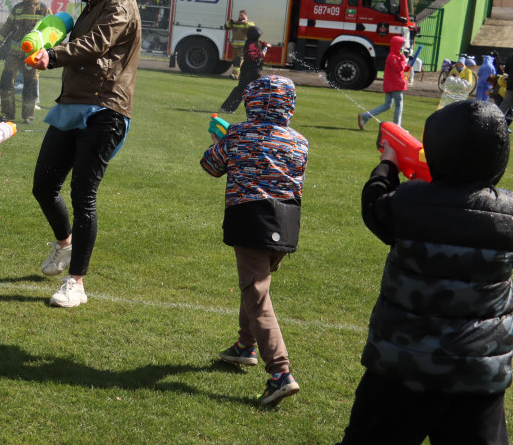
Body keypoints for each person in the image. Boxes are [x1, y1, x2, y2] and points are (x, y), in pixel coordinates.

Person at [338, 99, 513, 443]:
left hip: (401, 366)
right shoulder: (508, 212)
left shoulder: (409, 200)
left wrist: (387, 165)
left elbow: (374, 205)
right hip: (478, 371)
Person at [28, 0, 141, 308]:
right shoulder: (92, 5)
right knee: (44, 186)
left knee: (83, 194)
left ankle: (75, 283)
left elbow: (98, 43)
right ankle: (65, 245)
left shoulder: (121, 2)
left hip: (106, 107)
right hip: (72, 105)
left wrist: (53, 56)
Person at [202, 75, 307, 407]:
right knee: (256, 284)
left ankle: (280, 373)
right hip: (285, 223)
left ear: (251, 102)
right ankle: (245, 345)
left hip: (250, 220)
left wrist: (220, 141)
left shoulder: (237, 134)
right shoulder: (300, 141)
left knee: (257, 294)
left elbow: (210, 165)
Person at [0, 0, 50, 124]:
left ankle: (28, 116)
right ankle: (7, 113)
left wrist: (47, 51)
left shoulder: (43, 9)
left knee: (31, 85)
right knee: (6, 81)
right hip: (14, 54)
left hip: (32, 56)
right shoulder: (17, 9)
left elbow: (49, 31)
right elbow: (7, 27)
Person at [357, 35, 410, 130]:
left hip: (391, 84)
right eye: (402, 45)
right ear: (397, 46)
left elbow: (399, 69)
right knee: (399, 104)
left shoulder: (395, 56)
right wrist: (403, 59)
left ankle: (365, 116)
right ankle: (397, 127)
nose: (403, 48)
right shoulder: (393, 57)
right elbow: (398, 69)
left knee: (387, 105)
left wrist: (406, 67)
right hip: (395, 85)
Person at [220, 25, 269, 113]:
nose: (259, 38)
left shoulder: (255, 42)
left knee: (243, 89)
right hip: (250, 70)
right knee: (258, 87)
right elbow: (251, 55)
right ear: (255, 36)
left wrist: (265, 45)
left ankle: (227, 108)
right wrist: (262, 53)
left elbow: (261, 43)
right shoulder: (250, 44)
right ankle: (227, 108)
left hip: (251, 69)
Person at [223, 10, 254, 79]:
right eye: (240, 15)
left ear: (246, 16)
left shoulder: (249, 23)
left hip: (243, 46)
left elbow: (252, 28)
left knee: (238, 60)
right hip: (235, 46)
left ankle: (235, 75)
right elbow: (226, 26)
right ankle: (241, 75)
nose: (240, 17)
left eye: (242, 15)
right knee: (234, 61)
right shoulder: (235, 23)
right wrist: (231, 21)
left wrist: (245, 23)